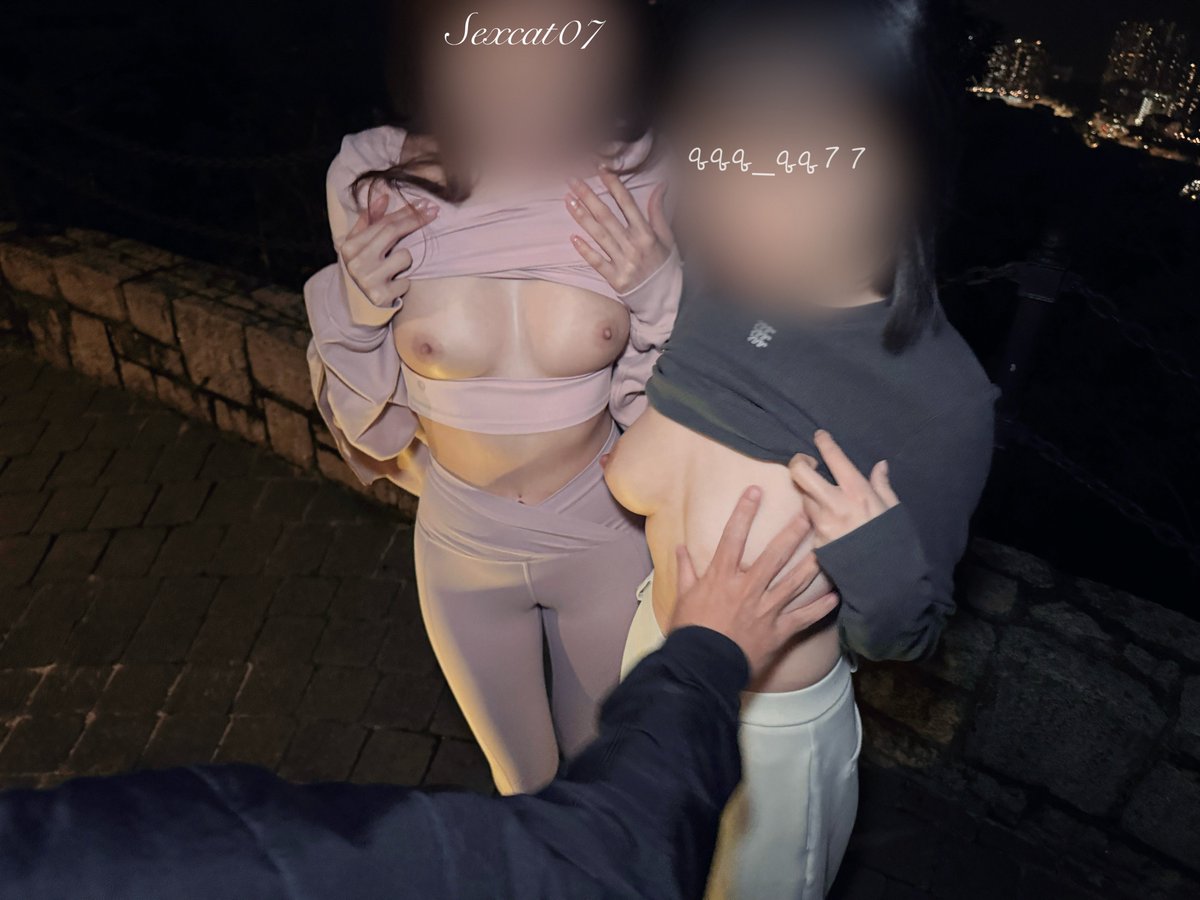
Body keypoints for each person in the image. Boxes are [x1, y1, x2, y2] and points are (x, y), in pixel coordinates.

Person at [593, 1, 998, 897]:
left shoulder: (939, 394)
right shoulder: (723, 285)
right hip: (655, 661)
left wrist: (872, 549)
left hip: (768, 741)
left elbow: (907, 636)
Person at [0, 490, 838, 900]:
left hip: (594, 550)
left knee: (581, 766)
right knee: (523, 783)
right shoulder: (152, 862)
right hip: (463, 551)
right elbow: (587, 861)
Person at [304, 0, 680, 794]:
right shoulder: (375, 176)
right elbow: (361, 406)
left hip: (606, 532)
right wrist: (359, 308)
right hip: (463, 542)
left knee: (599, 781)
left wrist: (661, 296)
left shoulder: (643, 175)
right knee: (520, 785)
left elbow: (679, 399)